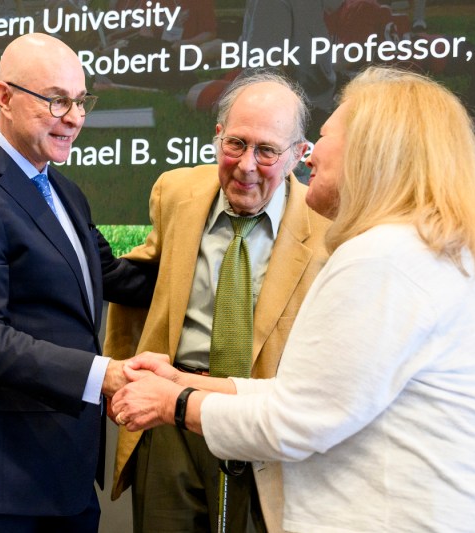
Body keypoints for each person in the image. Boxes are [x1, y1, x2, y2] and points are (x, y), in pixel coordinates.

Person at [112, 66, 475, 532]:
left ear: (371, 153)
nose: (313, 155)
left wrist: (172, 404)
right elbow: (313, 395)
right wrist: (179, 382)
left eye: (327, 134)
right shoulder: (420, 250)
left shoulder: (385, 260)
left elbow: (294, 420)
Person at [0, 33, 156, 532]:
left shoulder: (64, 190)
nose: (74, 117)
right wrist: (103, 375)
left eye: (80, 101)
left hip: (63, 472)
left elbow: (109, 276)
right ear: (4, 96)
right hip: (0, 481)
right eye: (56, 100)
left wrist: (205, 259)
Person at [104, 70, 332, 532]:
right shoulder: (178, 193)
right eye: (236, 144)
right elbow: (139, 280)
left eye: (266, 151)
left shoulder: (328, 227)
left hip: (262, 425)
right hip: (171, 412)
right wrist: (120, 371)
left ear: (297, 156)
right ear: (217, 138)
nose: (247, 165)